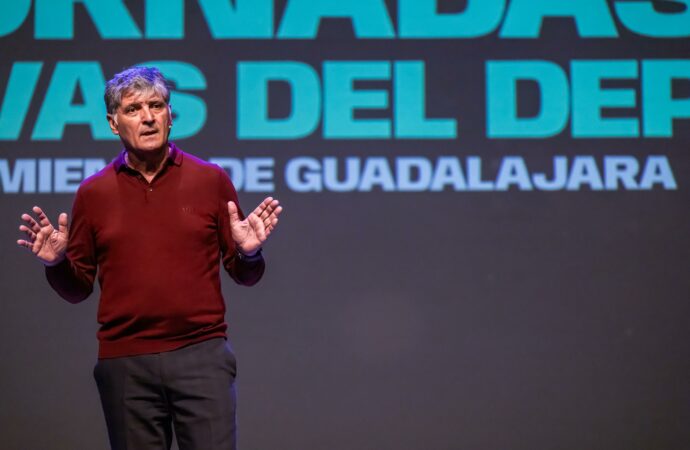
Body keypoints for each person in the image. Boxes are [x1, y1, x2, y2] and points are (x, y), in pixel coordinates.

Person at [16, 66, 282, 450]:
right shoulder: (94, 194)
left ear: (170, 116)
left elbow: (245, 275)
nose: (148, 116)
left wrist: (249, 253)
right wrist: (56, 264)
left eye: (157, 105)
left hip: (201, 357)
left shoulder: (210, 180)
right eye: (134, 108)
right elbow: (77, 290)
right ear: (113, 123)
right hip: (126, 364)